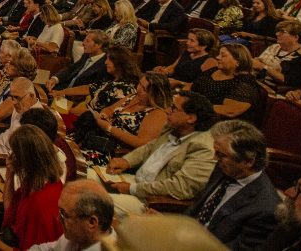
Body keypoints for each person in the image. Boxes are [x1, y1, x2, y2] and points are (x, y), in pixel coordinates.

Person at [88, 90, 217, 217]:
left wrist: (132, 189)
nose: (167, 110)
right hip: (136, 181)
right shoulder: (173, 127)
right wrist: (127, 161)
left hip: (151, 201)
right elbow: (149, 147)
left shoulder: (203, 148)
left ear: (191, 118)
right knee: (86, 175)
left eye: (173, 108)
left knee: (90, 202)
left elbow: (180, 187)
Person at [186, 119, 280, 250]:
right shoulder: (225, 169)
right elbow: (197, 210)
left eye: (221, 154)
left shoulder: (265, 209)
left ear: (247, 161)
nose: (214, 158)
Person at [0, 125, 65, 251]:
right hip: (14, 237)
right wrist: (10, 175)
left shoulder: (40, 204)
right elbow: (10, 213)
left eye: (15, 153)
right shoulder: (34, 180)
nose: (11, 157)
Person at [23, 180, 116, 251]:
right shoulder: (79, 236)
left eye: (64, 214)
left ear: (91, 222)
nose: (58, 219)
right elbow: (51, 248)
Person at [189, 43, 264, 124]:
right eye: (218, 54)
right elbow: (192, 85)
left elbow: (230, 111)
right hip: (198, 115)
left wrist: (193, 107)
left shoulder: (245, 82)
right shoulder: (214, 70)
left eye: (223, 55)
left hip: (225, 126)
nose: (217, 57)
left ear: (238, 62)